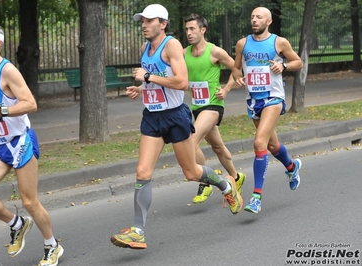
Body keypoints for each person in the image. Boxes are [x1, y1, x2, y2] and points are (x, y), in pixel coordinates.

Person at [110, 4, 243, 249]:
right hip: (152, 116)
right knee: (142, 172)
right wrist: (141, 88)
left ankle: (226, 185)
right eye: (142, 21)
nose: (144, 25)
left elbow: (182, 83)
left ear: (163, 24)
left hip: (174, 116)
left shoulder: (171, 46)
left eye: (149, 21)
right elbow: (155, 80)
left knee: (192, 172)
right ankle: (138, 231)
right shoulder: (145, 48)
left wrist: (147, 78)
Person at [0, 23, 64, 265]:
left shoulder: (7, 70)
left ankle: (52, 246)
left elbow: (30, 103)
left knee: (30, 201)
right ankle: (17, 223)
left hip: (20, 141)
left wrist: (1, 112)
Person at [232, 7, 303, 213]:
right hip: (254, 100)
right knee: (272, 145)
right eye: (252, 16)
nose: (254, 20)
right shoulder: (242, 44)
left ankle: (256, 197)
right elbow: (236, 67)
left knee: (258, 142)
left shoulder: (279, 42)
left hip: (274, 97)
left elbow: (298, 62)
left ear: (269, 21)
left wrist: (284, 67)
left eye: (259, 17)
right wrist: (238, 77)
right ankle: (291, 167)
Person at [183, 13, 246, 204]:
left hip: (213, 105)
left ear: (203, 30)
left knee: (191, 141)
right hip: (197, 106)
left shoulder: (215, 51)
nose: (189, 32)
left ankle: (206, 181)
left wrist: (226, 89)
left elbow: (236, 69)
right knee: (217, 146)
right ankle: (236, 177)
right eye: (186, 29)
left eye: (192, 28)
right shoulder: (184, 53)